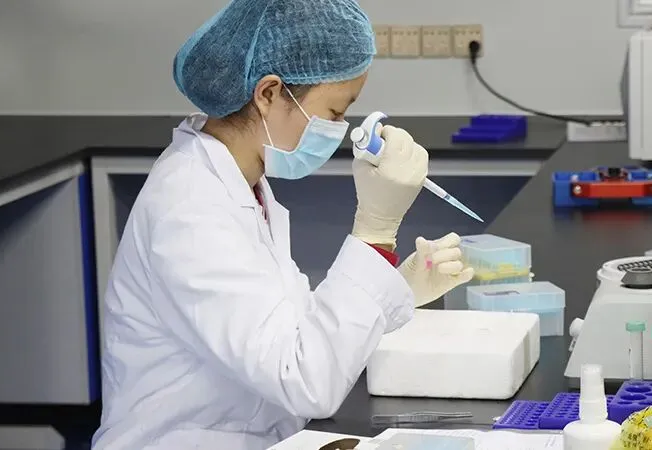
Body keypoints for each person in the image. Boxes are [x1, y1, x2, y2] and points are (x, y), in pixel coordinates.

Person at [91, 0, 474, 448]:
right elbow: (305, 380)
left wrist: (397, 290)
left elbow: (284, 327)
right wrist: (375, 231)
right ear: (269, 93)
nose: (340, 128)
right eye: (335, 112)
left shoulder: (241, 183)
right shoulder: (190, 207)